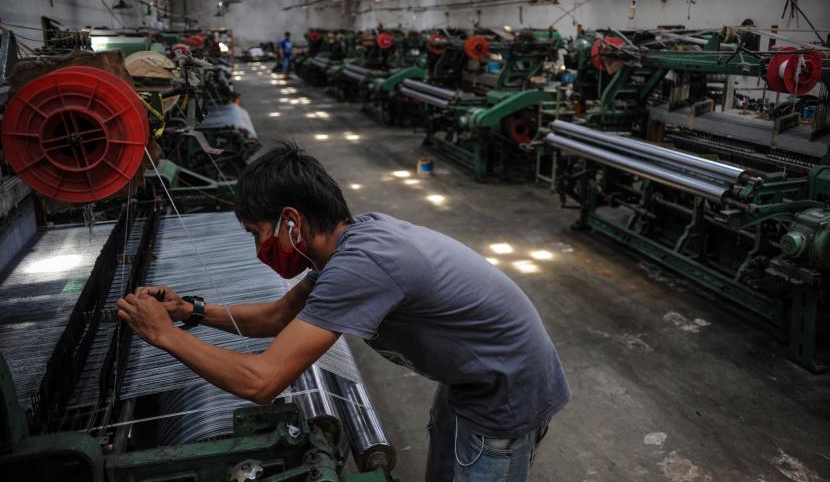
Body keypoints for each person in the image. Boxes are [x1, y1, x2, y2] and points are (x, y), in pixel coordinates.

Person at [117, 141, 571, 482]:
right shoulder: (349, 245)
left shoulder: (364, 264)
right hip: (470, 378)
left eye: (258, 233)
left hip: (507, 391)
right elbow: (276, 318)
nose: (259, 249)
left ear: (291, 221)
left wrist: (163, 336)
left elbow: (261, 382)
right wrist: (187, 311)